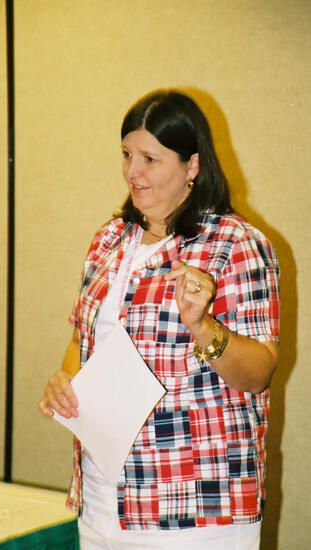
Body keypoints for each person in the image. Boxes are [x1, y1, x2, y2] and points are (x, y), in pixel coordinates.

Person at [38, 90, 280, 550]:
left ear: (192, 166)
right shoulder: (109, 240)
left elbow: (260, 372)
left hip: (196, 509)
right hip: (103, 499)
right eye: (128, 155)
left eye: (150, 158)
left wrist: (204, 327)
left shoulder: (235, 244)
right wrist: (66, 381)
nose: (133, 171)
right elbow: (82, 340)